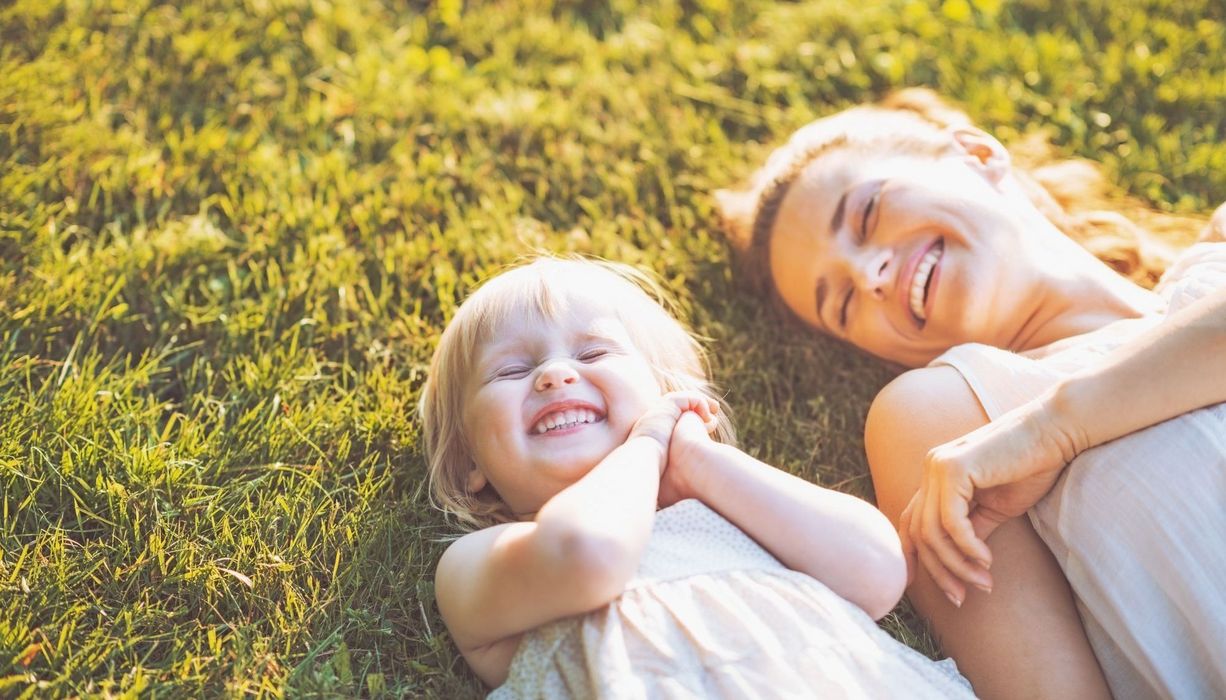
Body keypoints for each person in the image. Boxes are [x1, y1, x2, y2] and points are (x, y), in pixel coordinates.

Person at [716, 88, 1226, 699]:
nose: (869, 273)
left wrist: (1058, 427)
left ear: (975, 154)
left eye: (868, 214)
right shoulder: (949, 421)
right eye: (844, 303)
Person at [419, 256, 977, 698]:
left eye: (593, 351)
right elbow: (586, 555)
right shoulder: (482, 560)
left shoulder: (734, 509)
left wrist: (697, 460)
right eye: (511, 370)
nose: (555, 374)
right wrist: (643, 448)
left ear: (667, 399)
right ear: (471, 464)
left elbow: (878, 571)